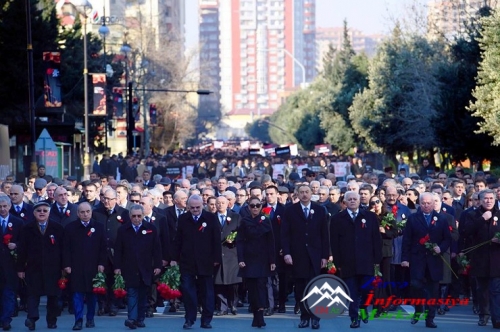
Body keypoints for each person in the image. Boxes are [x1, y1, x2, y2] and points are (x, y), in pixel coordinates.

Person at [331, 191, 382, 328]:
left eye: (355, 199)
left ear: (359, 201)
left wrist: (377, 258)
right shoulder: (337, 219)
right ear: (345, 202)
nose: (353, 201)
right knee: (352, 292)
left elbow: (376, 239)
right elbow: (334, 243)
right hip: (347, 262)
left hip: (367, 261)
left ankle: (363, 308)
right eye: (350, 199)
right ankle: (354, 317)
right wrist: (337, 262)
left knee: (367, 289)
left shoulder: (370, 217)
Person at [281, 184, 329, 330]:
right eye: (301, 192)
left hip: (315, 256)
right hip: (298, 256)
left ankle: (316, 318)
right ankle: (304, 317)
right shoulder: (290, 211)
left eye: (306, 192)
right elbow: (285, 234)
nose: (304, 195)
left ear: (311, 193)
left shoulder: (320, 210)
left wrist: (325, 256)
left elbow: (324, 235)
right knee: (300, 289)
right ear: (297, 194)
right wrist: (287, 252)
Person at [401, 192, 452, 328]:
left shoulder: (441, 218)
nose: (426, 205)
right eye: (423, 203)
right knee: (416, 286)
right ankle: (418, 310)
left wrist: (440, 248)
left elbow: (447, 238)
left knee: (433, 291)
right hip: (417, 258)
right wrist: (405, 259)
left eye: (429, 203)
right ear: (419, 203)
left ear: (433, 204)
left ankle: (430, 318)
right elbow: (406, 240)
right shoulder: (413, 218)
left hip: (434, 260)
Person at [171, 194, 222, 329]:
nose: (195, 210)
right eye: (192, 207)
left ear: (202, 206)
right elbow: (178, 240)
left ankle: (206, 320)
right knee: (188, 291)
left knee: (207, 292)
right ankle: (189, 319)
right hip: (187, 261)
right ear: (188, 207)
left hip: (206, 261)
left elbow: (216, 240)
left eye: (197, 207)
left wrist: (217, 259)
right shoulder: (183, 219)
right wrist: (174, 258)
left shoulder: (210, 218)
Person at [17, 201, 65, 330]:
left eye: (45, 210)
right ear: (34, 213)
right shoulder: (27, 228)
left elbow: (64, 249)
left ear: (49, 212)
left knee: (53, 296)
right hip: (33, 268)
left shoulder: (58, 228)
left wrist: (65, 266)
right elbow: (22, 250)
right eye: (39, 211)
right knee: (32, 295)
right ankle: (32, 319)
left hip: (53, 268)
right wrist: (20, 268)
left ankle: (51, 320)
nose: (42, 213)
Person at [114, 204, 162, 329]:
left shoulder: (151, 228)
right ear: (130, 216)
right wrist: (117, 267)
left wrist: (157, 265)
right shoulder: (123, 230)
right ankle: (132, 319)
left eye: (139, 216)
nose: (136, 218)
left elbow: (157, 249)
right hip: (129, 267)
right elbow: (118, 250)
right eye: (134, 216)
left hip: (146, 268)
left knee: (142, 295)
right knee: (131, 293)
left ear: (143, 216)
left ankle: (140, 318)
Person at [62, 202, 107, 330]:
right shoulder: (70, 228)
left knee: (92, 295)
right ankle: (78, 320)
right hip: (76, 267)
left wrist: (101, 263)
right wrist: (67, 265)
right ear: (78, 214)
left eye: (87, 211)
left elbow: (103, 248)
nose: (85, 214)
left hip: (93, 267)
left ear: (91, 212)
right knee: (77, 295)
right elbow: (66, 248)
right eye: (82, 212)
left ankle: (90, 318)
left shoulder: (98, 227)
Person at [236, 196, 276, 328]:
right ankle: (255, 315)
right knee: (252, 289)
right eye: (252, 206)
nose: (255, 208)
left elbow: (271, 242)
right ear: (248, 207)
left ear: (261, 206)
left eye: (257, 205)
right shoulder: (245, 221)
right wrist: (240, 259)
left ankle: (261, 315)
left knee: (261, 287)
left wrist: (272, 260)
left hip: (263, 259)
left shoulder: (266, 220)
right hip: (249, 259)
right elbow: (240, 241)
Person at [463, 189, 500, 328]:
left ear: (495, 199)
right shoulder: (472, 214)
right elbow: (466, 232)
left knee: (496, 290)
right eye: (485, 198)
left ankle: (497, 318)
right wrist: (482, 219)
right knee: (482, 290)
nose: (488, 201)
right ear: (480, 200)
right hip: (480, 258)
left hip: (497, 259)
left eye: (491, 198)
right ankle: (484, 315)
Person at [368, 195, 398, 316]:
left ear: (381, 203)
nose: (375, 205)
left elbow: (395, 232)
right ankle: (376, 306)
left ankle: (384, 305)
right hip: (372, 251)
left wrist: (385, 232)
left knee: (385, 278)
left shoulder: (388, 216)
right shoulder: (369, 216)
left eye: (377, 202)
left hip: (385, 251)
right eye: (372, 203)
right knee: (375, 279)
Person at [214, 196, 241, 316]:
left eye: (223, 203)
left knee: (233, 283)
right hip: (217, 255)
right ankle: (222, 307)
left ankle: (233, 304)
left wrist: (234, 239)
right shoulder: (211, 218)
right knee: (219, 283)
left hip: (232, 254)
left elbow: (241, 232)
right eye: (218, 203)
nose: (220, 205)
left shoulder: (235, 217)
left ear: (227, 204)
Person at [0, 196, 24, 330]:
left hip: (11, 265)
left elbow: (24, 242)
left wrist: (16, 245)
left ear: (9, 207)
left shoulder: (18, 222)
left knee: (9, 293)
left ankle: (6, 320)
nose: (2, 209)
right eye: (0, 207)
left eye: (5, 206)